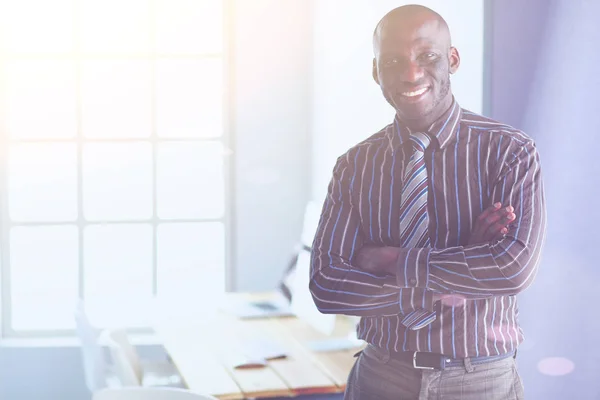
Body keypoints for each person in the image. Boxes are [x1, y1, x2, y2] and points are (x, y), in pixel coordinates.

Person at [309, 5, 546, 400]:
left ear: (452, 59)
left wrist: (390, 261)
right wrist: (458, 268)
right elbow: (327, 285)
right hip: (381, 378)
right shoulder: (354, 166)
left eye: (428, 56)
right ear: (375, 72)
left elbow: (511, 269)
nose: (412, 73)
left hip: (480, 381)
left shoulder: (509, 152)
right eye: (394, 61)